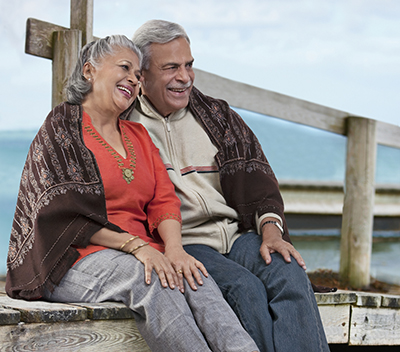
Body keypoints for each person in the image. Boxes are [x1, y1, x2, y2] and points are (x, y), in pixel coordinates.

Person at [6, 35, 259, 352]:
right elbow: (64, 212)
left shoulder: (138, 134)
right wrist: (137, 247)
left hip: (141, 253)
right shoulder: (63, 127)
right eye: (124, 67)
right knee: (150, 280)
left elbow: (163, 200)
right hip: (73, 258)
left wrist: (176, 249)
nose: (134, 80)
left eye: (139, 75)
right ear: (89, 71)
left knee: (198, 279)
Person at [128, 20, 333, 352]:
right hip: (186, 244)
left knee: (287, 269)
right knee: (244, 289)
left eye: (189, 65)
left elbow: (260, 182)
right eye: (171, 68)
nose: (184, 77)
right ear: (143, 74)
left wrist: (270, 229)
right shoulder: (126, 125)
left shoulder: (218, 116)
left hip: (239, 236)